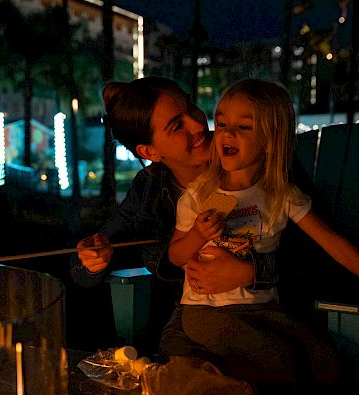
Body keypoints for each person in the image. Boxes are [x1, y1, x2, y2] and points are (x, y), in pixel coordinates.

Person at [169, 78, 359, 393]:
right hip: (206, 310)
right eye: (223, 122)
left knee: (323, 355)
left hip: (264, 307)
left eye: (244, 128)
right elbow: (175, 255)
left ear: (270, 141)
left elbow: (332, 244)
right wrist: (198, 234)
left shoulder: (279, 194)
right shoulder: (202, 193)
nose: (227, 133)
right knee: (280, 360)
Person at [70, 77, 277, 355]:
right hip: (192, 316)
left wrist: (251, 271)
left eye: (191, 108)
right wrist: (92, 259)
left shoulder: (252, 154)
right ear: (150, 151)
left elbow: (314, 252)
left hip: (264, 310)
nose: (198, 125)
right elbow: (84, 267)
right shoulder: (150, 189)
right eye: (177, 125)